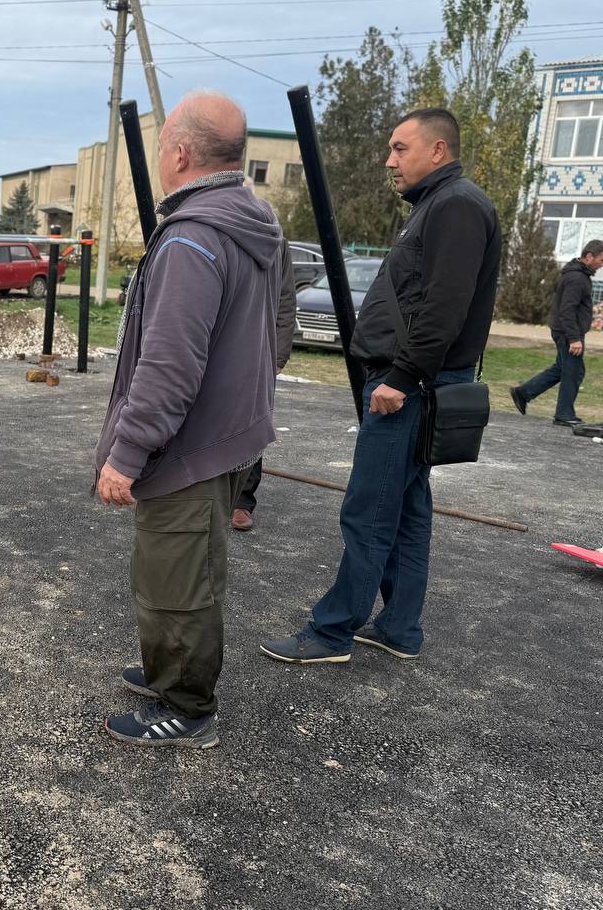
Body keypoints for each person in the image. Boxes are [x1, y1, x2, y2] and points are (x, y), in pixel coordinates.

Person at [261, 107, 500, 664]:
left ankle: (331, 632)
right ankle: (398, 628)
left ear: (437, 151)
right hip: (417, 381)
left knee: (368, 507)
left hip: (415, 386)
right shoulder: (437, 205)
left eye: (400, 148)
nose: (389, 160)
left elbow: (444, 306)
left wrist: (401, 376)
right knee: (409, 505)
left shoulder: (457, 205)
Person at [95, 91, 283, 749]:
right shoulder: (248, 218)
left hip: (187, 446)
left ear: (178, 153)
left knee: (177, 579)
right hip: (223, 435)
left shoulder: (194, 238)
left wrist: (128, 452)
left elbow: (170, 364)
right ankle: (165, 669)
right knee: (180, 566)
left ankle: (187, 705)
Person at [232, 243, 297, 531]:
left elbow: (285, 297)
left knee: (253, 423)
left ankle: (242, 501)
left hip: (258, 349)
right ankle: (207, 494)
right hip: (219, 341)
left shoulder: (271, 236)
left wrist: (279, 355)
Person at [510, 239, 601, 427]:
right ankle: (564, 414)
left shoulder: (578, 275)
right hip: (568, 333)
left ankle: (523, 393)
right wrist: (574, 338)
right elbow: (567, 309)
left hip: (565, 330)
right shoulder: (577, 278)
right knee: (573, 372)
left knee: (561, 369)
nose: (602, 264)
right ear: (589, 256)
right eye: (601, 260)